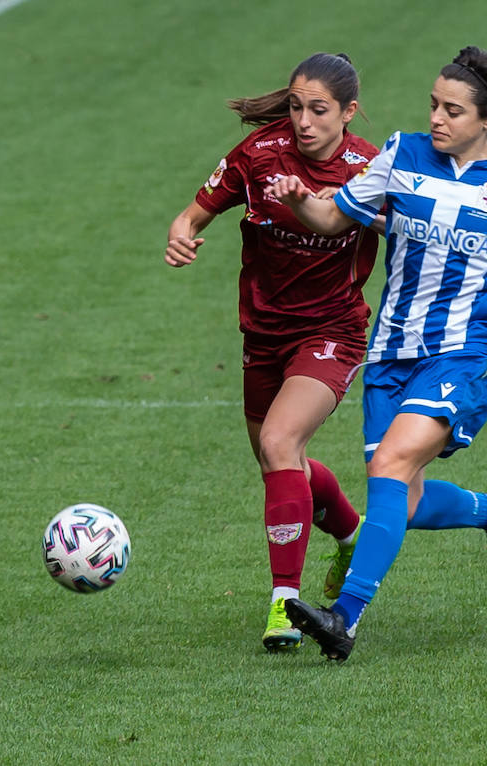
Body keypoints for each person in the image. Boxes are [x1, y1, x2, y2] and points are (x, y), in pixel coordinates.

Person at [269, 46, 487, 661]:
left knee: (392, 466)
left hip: (463, 355)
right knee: (406, 498)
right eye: (433, 105)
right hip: (391, 354)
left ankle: (344, 617)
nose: (437, 119)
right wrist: (297, 199)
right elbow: (332, 216)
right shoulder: (401, 155)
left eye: (453, 110)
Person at [164, 53, 382, 653]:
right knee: (276, 459)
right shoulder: (258, 155)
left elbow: (390, 224)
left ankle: (284, 602)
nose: (304, 122)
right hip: (263, 332)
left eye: (318, 110)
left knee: (281, 443)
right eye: (295, 107)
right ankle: (352, 535)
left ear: (348, 112)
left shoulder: (371, 168)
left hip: (333, 330)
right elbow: (193, 213)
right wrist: (182, 234)